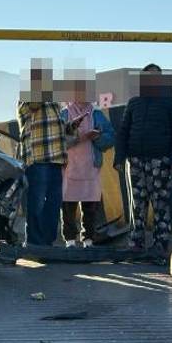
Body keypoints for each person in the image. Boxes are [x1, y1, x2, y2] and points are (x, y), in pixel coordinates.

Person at [114, 64, 172, 255]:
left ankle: (160, 245)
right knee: (137, 205)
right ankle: (136, 243)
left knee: (160, 204)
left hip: (161, 163)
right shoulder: (134, 102)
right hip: (135, 162)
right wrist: (119, 158)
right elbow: (123, 131)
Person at [17, 63, 70, 246]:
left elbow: (59, 128)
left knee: (53, 204)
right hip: (38, 159)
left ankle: (47, 243)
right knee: (37, 203)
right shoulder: (27, 99)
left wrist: (71, 126)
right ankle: (34, 242)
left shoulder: (54, 102)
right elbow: (33, 104)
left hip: (56, 158)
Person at [60, 80, 115, 247]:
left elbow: (110, 138)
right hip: (69, 168)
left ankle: (88, 240)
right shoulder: (63, 115)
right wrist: (79, 137)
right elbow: (59, 141)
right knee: (68, 206)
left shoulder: (97, 114)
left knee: (90, 205)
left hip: (90, 168)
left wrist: (98, 137)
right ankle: (69, 241)